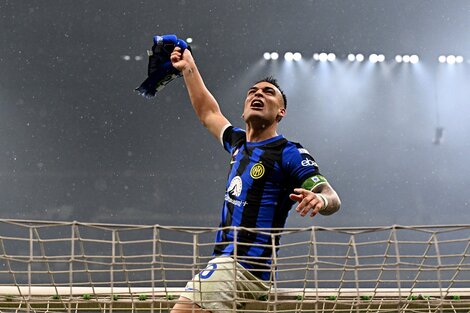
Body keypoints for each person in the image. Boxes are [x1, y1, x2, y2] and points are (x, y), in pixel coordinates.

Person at [169, 46, 341, 313]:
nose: (258, 94)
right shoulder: (238, 143)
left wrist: (318, 198)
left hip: (242, 267)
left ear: (281, 112)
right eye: (253, 92)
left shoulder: (289, 152)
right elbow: (208, 113)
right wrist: (188, 67)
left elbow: (331, 196)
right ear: (244, 110)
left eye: (268, 92)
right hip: (234, 269)